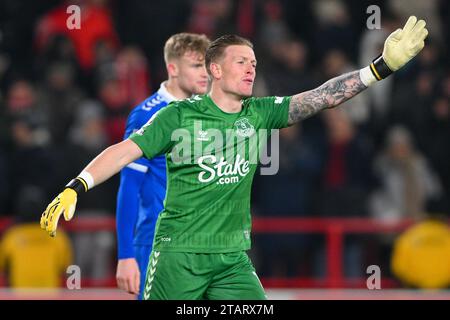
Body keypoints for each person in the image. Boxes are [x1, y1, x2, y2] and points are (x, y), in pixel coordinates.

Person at [41, 16, 428, 299]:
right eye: (241, 60)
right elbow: (123, 152)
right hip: (179, 255)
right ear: (214, 68)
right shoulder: (178, 116)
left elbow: (321, 97)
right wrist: (79, 184)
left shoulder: (259, 112)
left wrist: (378, 69)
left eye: (254, 61)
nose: (251, 67)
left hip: (231, 260)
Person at [114, 33, 210, 299]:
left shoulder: (206, 111)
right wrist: (126, 255)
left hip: (201, 245)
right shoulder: (147, 114)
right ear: (173, 68)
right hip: (158, 245)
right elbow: (129, 186)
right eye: (196, 65)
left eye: (206, 65)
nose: (205, 73)